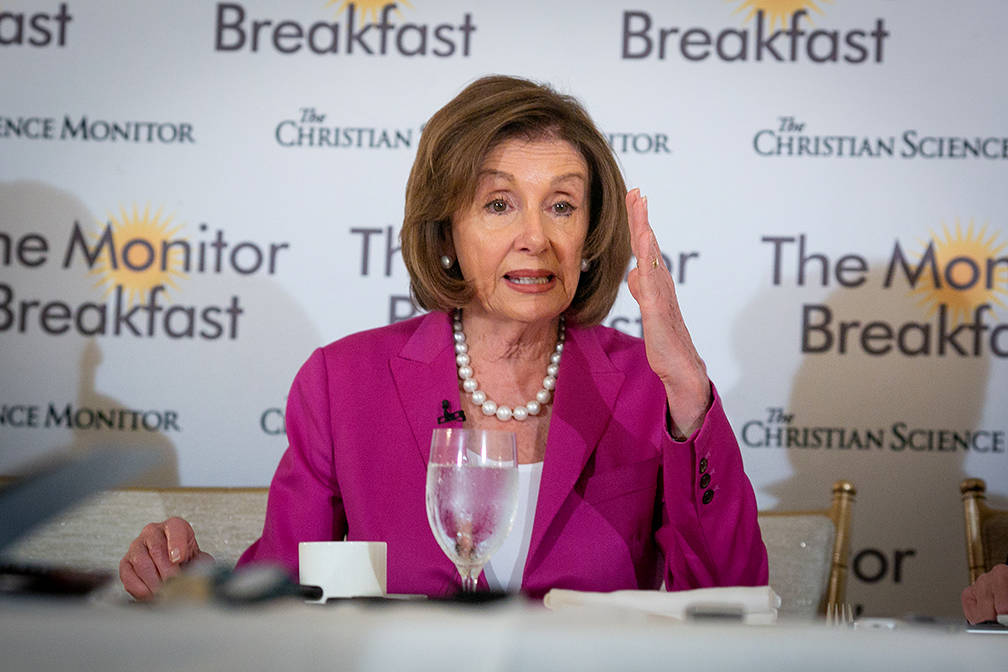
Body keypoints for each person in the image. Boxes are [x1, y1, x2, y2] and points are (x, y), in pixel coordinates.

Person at [120, 74, 768, 600]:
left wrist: (686, 388)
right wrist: (193, 583)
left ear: (592, 234)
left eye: (562, 205)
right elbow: (287, 594)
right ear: (447, 231)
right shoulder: (342, 383)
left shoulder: (647, 387)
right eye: (498, 204)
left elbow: (732, 597)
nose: (536, 237)